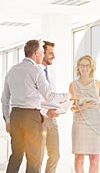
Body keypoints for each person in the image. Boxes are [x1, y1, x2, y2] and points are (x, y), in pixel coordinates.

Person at [1, 39, 71, 173]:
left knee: (16, 155)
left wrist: (8, 120)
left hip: (15, 116)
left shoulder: (12, 71)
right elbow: (49, 96)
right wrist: (68, 96)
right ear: (35, 53)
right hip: (32, 117)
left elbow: (4, 99)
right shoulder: (36, 71)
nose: (41, 55)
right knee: (34, 158)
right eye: (40, 52)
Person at [69, 55, 100, 173]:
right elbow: (71, 107)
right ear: (78, 67)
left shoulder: (98, 84)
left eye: (87, 65)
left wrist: (94, 105)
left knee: (94, 158)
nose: (84, 68)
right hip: (80, 123)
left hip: (95, 124)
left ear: (91, 68)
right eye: (82, 65)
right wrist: (83, 106)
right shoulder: (73, 85)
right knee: (79, 157)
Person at [40, 40, 60, 173]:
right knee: (38, 156)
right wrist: (46, 111)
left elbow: (51, 94)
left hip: (52, 118)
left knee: (55, 155)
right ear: (42, 53)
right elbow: (33, 99)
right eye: (50, 53)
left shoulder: (51, 72)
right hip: (38, 118)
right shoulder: (34, 72)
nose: (53, 56)